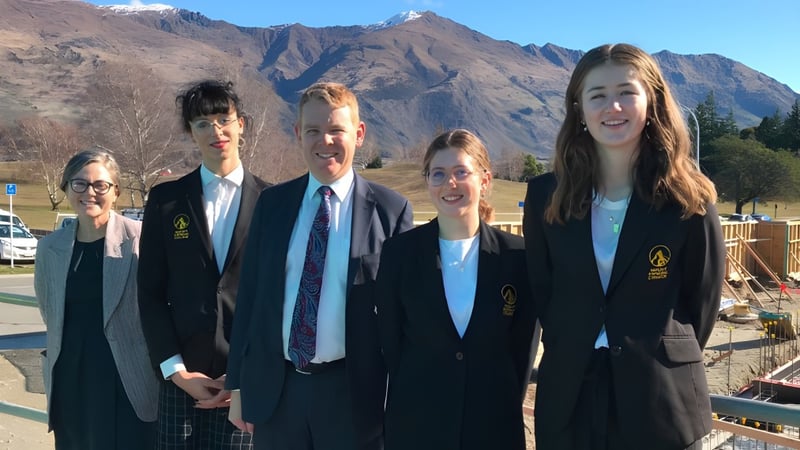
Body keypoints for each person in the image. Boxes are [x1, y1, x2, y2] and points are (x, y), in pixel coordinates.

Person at [523, 43, 726, 450]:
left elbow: (701, 303)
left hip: (661, 401)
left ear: (651, 101)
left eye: (626, 92)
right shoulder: (546, 196)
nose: (612, 106)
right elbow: (543, 292)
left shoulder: (689, 198)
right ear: (578, 108)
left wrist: (654, 355)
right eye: (597, 95)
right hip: (570, 399)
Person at [225, 81, 414, 450]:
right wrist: (237, 384)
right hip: (277, 394)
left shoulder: (391, 211)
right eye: (313, 130)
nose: (324, 141)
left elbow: (403, 319)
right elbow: (250, 297)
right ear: (298, 133)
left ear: (358, 134)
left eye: (335, 130)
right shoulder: (272, 204)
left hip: (354, 396)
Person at [374, 129, 536, 450]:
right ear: (427, 182)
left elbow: (523, 349)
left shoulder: (517, 257)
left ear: (485, 180)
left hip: (493, 426)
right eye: (439, 174)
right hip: (417, 425)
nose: (450, 183)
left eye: (461, 172)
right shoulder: (399, 254)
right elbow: (392, 345)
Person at [138, 79, 269, 449]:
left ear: (241, 124)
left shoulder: (274, 201)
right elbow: (149, 294)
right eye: (202, 123)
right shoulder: (166, 201)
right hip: (182, 382)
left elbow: (277, 300)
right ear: (190, 133)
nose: (216, 131)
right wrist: (176, 372)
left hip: (245, 384)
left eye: (223, 119)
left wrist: (242, 376)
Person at [34, 149, 160, 449]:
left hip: (126, 383)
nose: (89, 192)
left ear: (115, 191)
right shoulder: (49, 248)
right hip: (70, 381)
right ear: (66, 188)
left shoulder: (141, 239)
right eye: (79, 184)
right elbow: (48, 310)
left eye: (100, 185)